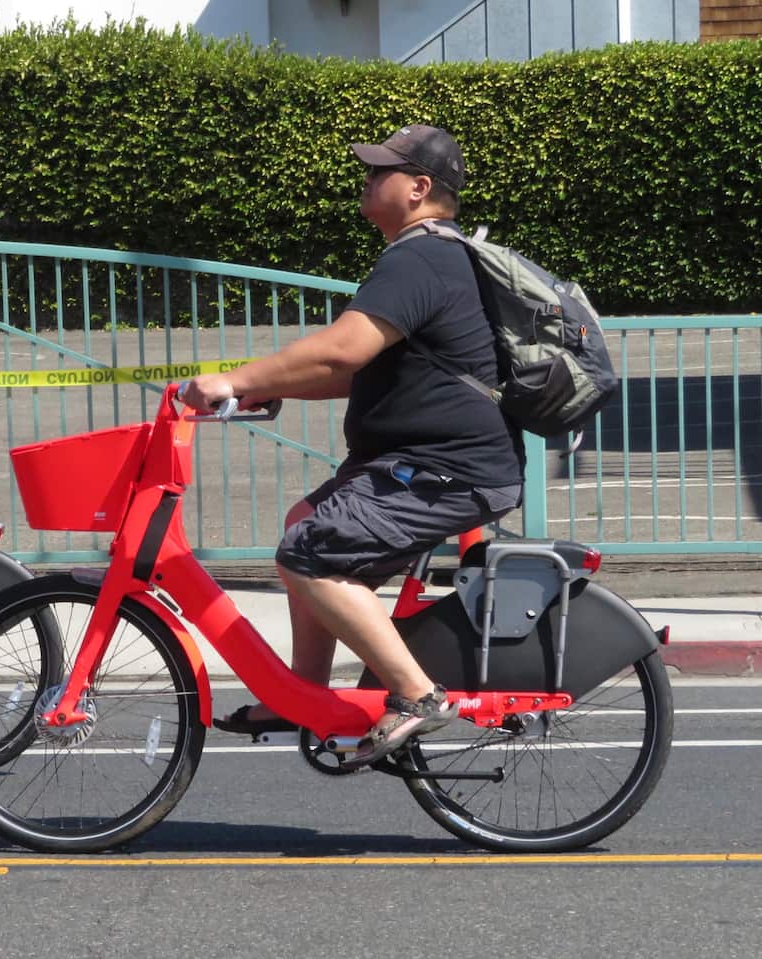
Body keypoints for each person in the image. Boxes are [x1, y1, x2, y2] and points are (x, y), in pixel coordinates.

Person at [181, 125, 523, 768]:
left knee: (308, 552)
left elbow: (342, 349)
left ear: (418, 187)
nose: (366, 181)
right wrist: (263, 388)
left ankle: (418, 694)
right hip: (425, 463)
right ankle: (302, 694)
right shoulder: (431, 256)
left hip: (445, 468)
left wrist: (234, 378)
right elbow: (350, 373)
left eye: (379, 172)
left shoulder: (419, 258)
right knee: (306, 520)